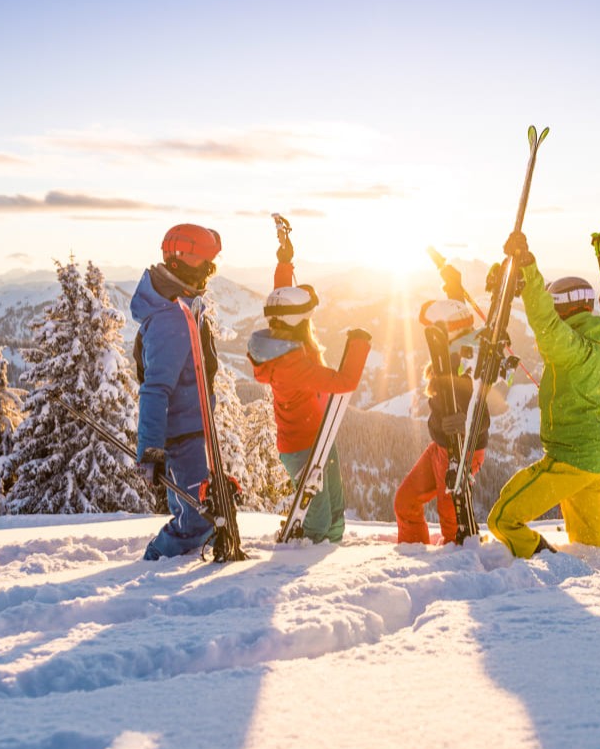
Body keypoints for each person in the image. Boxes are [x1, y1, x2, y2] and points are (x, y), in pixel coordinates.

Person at [486, 230, 600, 557]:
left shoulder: (573, 348)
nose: (553, 308)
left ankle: (545, 560)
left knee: (503, 519)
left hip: (571, 460)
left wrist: (528, 266)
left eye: (556, 304)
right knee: (592, 546)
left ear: (568, 309)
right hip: (599, 463)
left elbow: (544, 322)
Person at [246, 227, 371, 543]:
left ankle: (332, 548)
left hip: (318, 436)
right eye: (306, 316)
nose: (309, 320)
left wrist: (285, 263)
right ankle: (307, 558)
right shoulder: (292, 364)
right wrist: (358, 344)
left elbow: (282, 299)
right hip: (304, 447)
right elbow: (344, 382)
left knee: (335, 508)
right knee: (319, 516)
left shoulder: (282, 340)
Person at [132, 223, 223, 560]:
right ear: (181, 262)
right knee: (194, 523)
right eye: (205, 264)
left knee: (202, 512)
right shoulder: (171, 318)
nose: (210, 272)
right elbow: (154, 389)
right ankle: (156, 563)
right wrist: (151, 448)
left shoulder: (182, 305)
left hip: (193, 430)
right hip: (182, 437)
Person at [394, 295, 489, 545]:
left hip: (461, 450)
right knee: (405, 501)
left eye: (434, 331)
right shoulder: (445, 357)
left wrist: (466, 423)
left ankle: (458, 566)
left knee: (452, 522)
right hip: (441, 446)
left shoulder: (468, 363)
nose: (430, 336)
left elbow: (483, 414)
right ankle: (412, 551)